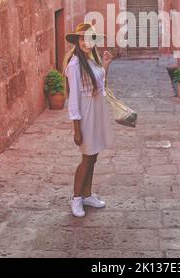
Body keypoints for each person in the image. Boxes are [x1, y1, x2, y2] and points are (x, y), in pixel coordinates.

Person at [62, 22, 113, 218]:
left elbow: (100, 85)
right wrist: (77, 128)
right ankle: (76, 198)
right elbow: (74, 98)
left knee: (94, 155)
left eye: (89, 38)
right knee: (87, 157)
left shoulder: (93, 59)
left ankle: (87, 194)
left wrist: (106, 65)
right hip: (86, 114)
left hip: (97, 111)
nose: (85, 42)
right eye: (82, 38)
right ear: (77, 41)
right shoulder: (75, 65)